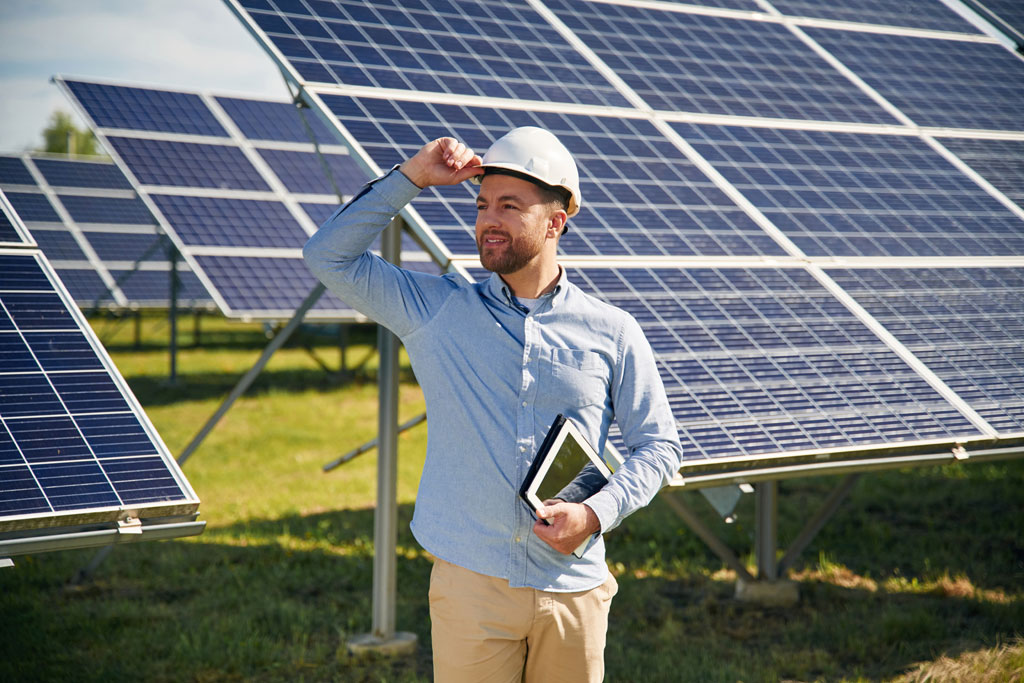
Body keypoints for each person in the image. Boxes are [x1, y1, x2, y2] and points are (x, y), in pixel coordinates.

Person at [303, 127, 683, 682]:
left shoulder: (614, 331)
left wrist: (595, 514)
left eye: (510, 206)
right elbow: (327, 256)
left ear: (555, 223)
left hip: (573, 589)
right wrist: (413, 176)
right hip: (471, 587)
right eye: (482, 206)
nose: (488, 220)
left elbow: (659, 446)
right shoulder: (436, 309)